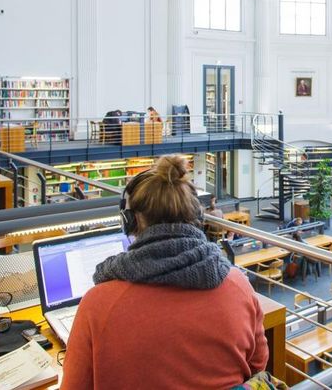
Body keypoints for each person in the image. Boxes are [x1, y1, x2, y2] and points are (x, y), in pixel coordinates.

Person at [61, 155, 268, 388]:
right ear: (197, 217)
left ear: (129, 221)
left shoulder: (97, 304)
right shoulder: (237, 284)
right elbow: (257, 364)